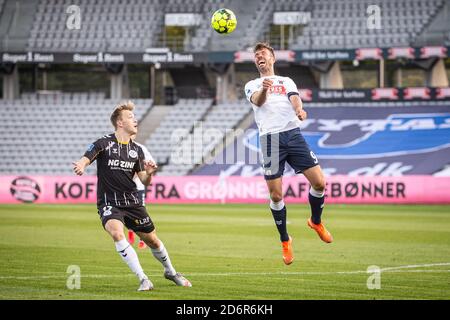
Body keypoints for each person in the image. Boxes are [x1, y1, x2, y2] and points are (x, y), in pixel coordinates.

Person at [72, 101, 191, 290]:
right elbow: (87, 156)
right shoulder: (104, 143)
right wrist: (81, 165)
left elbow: (144, 180)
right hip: (109, 202)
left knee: (153, 240)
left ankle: (170, 271)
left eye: (134, 117)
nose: (135, 120)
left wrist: (149, 172)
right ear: (120, 123)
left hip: (133, 202)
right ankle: (143, 278)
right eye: (130, 117)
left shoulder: (137, 150)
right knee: (117, 233)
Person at [244, 42, 333, 265]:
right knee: (276, 195)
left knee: (320, 183)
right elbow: (257, 101)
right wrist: (264, 88)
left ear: (272, 58)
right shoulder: (252, 84)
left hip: (292, 134)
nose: (259, 57)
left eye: (263, 53)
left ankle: (315, 221)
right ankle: (285, 240)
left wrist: (298, 109)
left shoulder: (286, 81)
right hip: (270, 139)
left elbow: (294, 97)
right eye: (256, 55)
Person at [128, 133, 154, 250]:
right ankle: (130, 234)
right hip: (123, 188)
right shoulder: (117, 148)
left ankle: (142, 239)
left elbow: (150, 162)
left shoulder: (140, 148)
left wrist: (147, 167)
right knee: (126, 211)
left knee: (140, 210)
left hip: (138, 186)